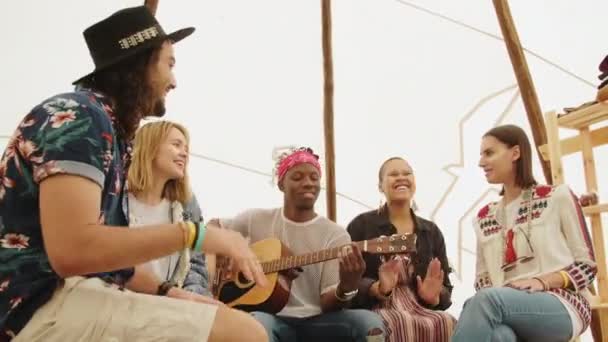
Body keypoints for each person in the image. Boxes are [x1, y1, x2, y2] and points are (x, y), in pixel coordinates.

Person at [0, 6, 267, 341]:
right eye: (169, 64)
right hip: (33, 310)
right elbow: (74, 251)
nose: (174, 80)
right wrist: (195, 234)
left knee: (219, 317)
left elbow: (107, 259)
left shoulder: (109, 130)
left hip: (68, 296)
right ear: (141, 64)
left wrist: (171, 292)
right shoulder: (78, 117)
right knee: (243, 334)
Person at [216, 147, 386, 342]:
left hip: (319, 320)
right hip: (269, 318)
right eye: (297, 177)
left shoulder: (335, 235)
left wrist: (347, 286)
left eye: (314, 178)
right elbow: (214, 227)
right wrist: (224, 254)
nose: (308, 183)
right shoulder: (255, 219)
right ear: (281, 184)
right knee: (255, 325)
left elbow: (328, 304)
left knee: (370, 324)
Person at [452, 124, 597, 341]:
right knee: (500, 336)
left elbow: (587, 266)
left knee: (484, 301)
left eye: (489, 153)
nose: (481, 162)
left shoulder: (556, 197)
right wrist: (505, 294)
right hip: (505, 306)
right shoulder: (483, 218)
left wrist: (543, 281)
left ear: (516, 153)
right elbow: (482, 280)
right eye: (481, 155)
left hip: (563, 303)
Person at [347, 156, 456, 342]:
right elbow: (345, 281)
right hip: (378, 309)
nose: (401, 177)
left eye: (407, 173)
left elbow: (445, 287)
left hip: (421, 308)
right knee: (398, 321)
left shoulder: (430, 231)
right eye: (393, 174)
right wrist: (376, 288)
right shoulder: (362, 225)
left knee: (447, 321)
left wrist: (434, 296)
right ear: (380, 186)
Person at [127, 120, 214, 297]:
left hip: (167, 305)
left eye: (186, 149)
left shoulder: (188, 204)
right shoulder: (116, 195)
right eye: (176, 145)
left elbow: (196, 264)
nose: (184, 154)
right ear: (150, 146)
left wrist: (190, 298)